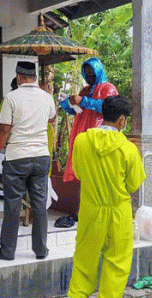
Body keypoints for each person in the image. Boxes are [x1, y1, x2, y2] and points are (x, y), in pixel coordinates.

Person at [67, 95, 146, 298]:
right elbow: (134, 183)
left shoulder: (82, 140)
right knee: (117, 265)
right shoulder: (128, 149)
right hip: (118, 213)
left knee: (84, 263)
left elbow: (79, 172)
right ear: (122, 120)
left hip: (91, 210)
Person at [0, 61, 56, 261]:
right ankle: (41, 250)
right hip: (41, 157)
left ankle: (8, 251)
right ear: (35, 77)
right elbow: (52, 120)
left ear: (19, 77)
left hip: (17, 158)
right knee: (40, 204)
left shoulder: (11, 98)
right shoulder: (47, 98)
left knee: (12, 204)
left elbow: (3, 130)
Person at [59, 58, 118, 211]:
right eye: (86, 74)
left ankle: (96, 209)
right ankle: (82, 211)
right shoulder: (85, 90)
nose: (89, 77)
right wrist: (66, 102)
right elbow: (75, 110)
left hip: (99, 136)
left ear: (98, 71)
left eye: (92, 74)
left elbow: (108, 107)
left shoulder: (108, 89)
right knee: (81, 174)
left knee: (96, 174)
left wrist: (83, 101)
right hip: (82, 135)